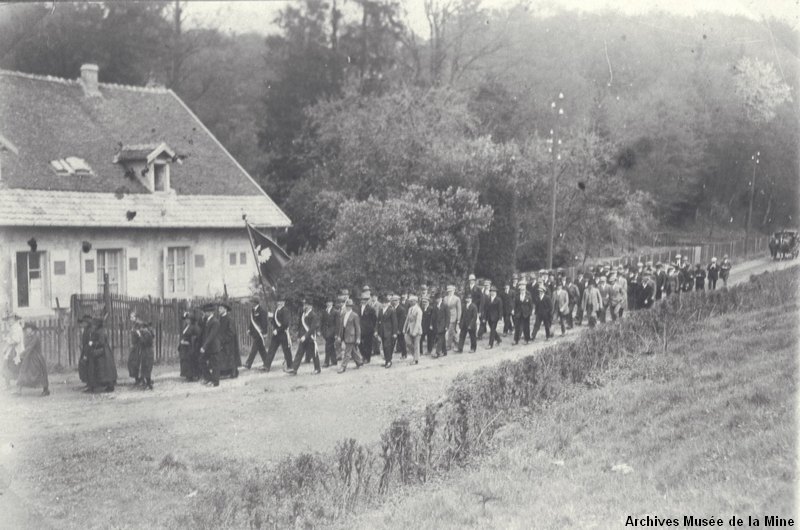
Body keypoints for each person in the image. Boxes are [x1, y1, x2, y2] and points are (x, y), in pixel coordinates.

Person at [15, 322, 49, 396]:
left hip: (36, 358)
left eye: (28, 329)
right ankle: (18, 390)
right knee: (23, 371)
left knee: (39, 373)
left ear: (32, 329)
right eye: (26, 329)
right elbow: (24, 347)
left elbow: (30, 348)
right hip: (28, 357)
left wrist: (20, 355)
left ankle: (46, 390)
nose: (27, 330)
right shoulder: (27, 337)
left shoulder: (36, 337)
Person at [289, 299, 320, 375]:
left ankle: (317, 369)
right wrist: (299, 336)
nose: (304, 306)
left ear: (310, 306)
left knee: (314, 353)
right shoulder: (303, 314)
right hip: (303, 338)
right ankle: (294, 369)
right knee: (299, 353)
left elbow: (312, 328)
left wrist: (305, 336)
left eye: (306, 305)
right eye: (304, 305)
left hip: (310, 338)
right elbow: (300, 326)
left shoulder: (313, 315)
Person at [88, 317, 117, 393]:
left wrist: (92, 343)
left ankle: (110, 386)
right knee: (104, 369)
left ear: (97, 324)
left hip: (103, 352)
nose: (93, 325)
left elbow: (101, 342)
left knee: (104, 369)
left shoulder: (100, 332)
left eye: (94, 324)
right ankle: (107, 385)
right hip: (104, 352)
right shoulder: (100, 331)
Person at [264, 296, 292, 372]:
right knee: (271, 349)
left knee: (286, 350)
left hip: (283, 333)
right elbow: (274, 322)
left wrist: (278, 330)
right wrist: (270, 318)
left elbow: (285, 324)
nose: (279, 303)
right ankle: (267, 366)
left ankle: (290, 366)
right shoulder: (276, 310)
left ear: (283, 303)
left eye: (281, 302)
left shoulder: (285, 310)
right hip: (276, 334)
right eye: (278, 302)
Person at [198, 303, 221, 387]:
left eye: (207, 312)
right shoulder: (206, 320)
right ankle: (208, 378)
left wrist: (204, 346)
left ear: (211, 312)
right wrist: (203, 317)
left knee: (215, 364)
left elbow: (211, 336)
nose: (205, 313)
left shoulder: (215, 322)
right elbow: (200, 326)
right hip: (208, 346)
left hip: (213, 346)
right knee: (201, 360)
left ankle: (215, 382)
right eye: (205, 312)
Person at [244, 297, 270, 370]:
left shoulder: (262, 311)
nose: (251, 304)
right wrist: (249, 329)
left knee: (254, 348)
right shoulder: (253, 310)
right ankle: (267, 362)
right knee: (261, 349)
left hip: (260, 333)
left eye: (252, 302)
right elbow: (252, 322)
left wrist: (264, 333)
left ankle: (248, 363)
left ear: (255, 303)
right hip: (255, 333)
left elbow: (264, 323)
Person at [338, 299, 363, 373]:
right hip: (344, 335)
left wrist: (358, 338)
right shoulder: (343, 315)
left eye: (350, 306)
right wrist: (340, 336)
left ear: (352, 307)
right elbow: (341, 327)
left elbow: (358, 328)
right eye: (347, 306)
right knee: (353, 351)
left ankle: (343, 367)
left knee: (347, 352)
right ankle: (359, 362)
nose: (348, 307)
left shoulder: (355, 315)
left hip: (351, 336)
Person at [218, 303, 240, 378]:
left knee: (230, 357)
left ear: (225, 309)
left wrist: (224, 339)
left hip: (229, 342)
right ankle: (224, 372)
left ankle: (233, 371)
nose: (219, 310)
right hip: (221, 341)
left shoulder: (229, 319)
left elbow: (231, 332)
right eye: (219, 308)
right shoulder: (219, 319)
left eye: (221, 308)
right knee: (222, 357)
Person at [2, 314, 23, 388]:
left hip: (16, 350)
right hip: (11, 349)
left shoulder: (17, 328)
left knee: (14, 366)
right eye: (8, 319)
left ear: (15, 319)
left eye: (11, 319)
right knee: (6, 365)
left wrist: (8, 339)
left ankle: (18, 384)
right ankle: (8, 384)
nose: (9, 321)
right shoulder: (13, 328)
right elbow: (11, 337)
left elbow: (16, 340)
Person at [134, 317, 155, 390]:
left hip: (148, 352)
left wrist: (140, 335)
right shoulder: (146, 333)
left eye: (141, 328)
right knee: (144, 367)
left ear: (144, 328)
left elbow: (144, 342)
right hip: (145, 352)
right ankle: (147, 383)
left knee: (147, 367)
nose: (140, 329)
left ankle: (148, 384)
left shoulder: (147, 334)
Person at [179, 311, 201, 381]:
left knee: (191, 361)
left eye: (188, 319)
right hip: (185, 347)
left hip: (191, 347)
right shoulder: (186, 326)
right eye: (185, 319)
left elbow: (196, 337)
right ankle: (187, 375)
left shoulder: (195, 327)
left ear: (191, 320)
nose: (186, 320)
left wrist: (188, 342)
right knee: (185, 361)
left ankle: (192, 375)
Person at [377, 295, 398, 368]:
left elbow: (394, 322)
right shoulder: (380, 310)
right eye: (382, 303)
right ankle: (386, 360)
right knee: (384, 346)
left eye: (385, 303)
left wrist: (395, 332)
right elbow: (378, 321)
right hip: (382, 331)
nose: (384, 304)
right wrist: (377, 330)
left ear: (388, 303)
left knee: (387, 346)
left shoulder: (391, 310)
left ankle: (389, 361)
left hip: (389, 331)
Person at [358, 290, 377, 364]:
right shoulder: (358, 308)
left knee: (368, 344)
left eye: (365, 300)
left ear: (367, 300)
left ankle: (367, 358)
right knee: (360, 344)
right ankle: (363, 355)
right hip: (360, 329)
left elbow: (374, 319)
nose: (363, 301)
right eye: (362, 300)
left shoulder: (371, 309)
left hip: (368, 329)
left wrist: (372, 327)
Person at [403, 295, 423, 365]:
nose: (411, 302)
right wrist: (404, 328)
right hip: (409, 329)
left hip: (417, 330)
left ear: (416, 301)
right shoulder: (410, 309)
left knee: (416, 345)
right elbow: (407, 320)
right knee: (408, 342)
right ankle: (415, 356)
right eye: (410, 301)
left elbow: (418, 322)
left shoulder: (418, 310)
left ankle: (416, 359)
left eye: (412, 301)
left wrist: (414, 332)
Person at [513, 280, 533, 345]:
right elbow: (515, 304)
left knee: (526, 327)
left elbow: (531, 305)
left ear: (525, 287)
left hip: (526, 314)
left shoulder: (528, 295)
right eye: (521, 288)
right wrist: (515, 312)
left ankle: (527, 339)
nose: (522, 289)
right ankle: (516, 340)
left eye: (523, 288)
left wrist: (530, 313)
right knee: (517, 327)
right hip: (519, 313)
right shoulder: (517, 295)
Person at [320, 299, 338, 368]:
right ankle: (334, 361)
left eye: (330, 302)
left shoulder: (335, 312)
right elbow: (322, 321)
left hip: (332, 332)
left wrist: (336, 334)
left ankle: (326, 362)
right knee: (331, 346)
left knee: (327, 346)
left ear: (332, 303)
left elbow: (337, 324)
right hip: (325, 332)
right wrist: (321, 330)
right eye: (327, 302)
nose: (328, 304)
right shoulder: (324, 311)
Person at [444, 285, 461, 352]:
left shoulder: (457, 299)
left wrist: (458, 318)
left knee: (451, 330)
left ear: (454, 291)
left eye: (451, 291)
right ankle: (457, 343)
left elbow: (459, 309)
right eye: (449, 291)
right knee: (453, 331)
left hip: (453, 316)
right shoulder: (445, 298)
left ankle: (449, 345)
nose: (450, 292)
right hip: (446, 316)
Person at [432, 290, 449, 358]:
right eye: (436, 299)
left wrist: (447, 326)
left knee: (440, 338)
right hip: (436, 325)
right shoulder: (435, 306)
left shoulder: (445, 305)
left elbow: (448, 316)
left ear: (441, 298)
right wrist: (431, 324)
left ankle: (437, 352)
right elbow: (433, 316)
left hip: (443, 325)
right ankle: (444, 351)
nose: (438, 300)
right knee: (442, 339)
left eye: (439, 298)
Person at [77, 315, 93, 387]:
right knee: (84, 365)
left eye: (83, 323)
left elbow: (90, 341)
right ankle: (87, 382)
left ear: (87, 323)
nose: (82, 324)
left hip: (89, 350)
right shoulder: (86, 330)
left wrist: (88, 348)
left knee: (88, 366)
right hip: (85, 349)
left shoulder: (89, 330)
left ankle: (90, 383)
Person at [394, 295, 407, 359]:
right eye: (393, 300)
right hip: (393, 328)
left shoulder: (401, 309)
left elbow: (402, 320)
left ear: (399, 301)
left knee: (401, 341)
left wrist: (399, 329)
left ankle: (404, 354)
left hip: (399, 328)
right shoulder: (392, 308)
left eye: (396, 300)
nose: (395, 302)